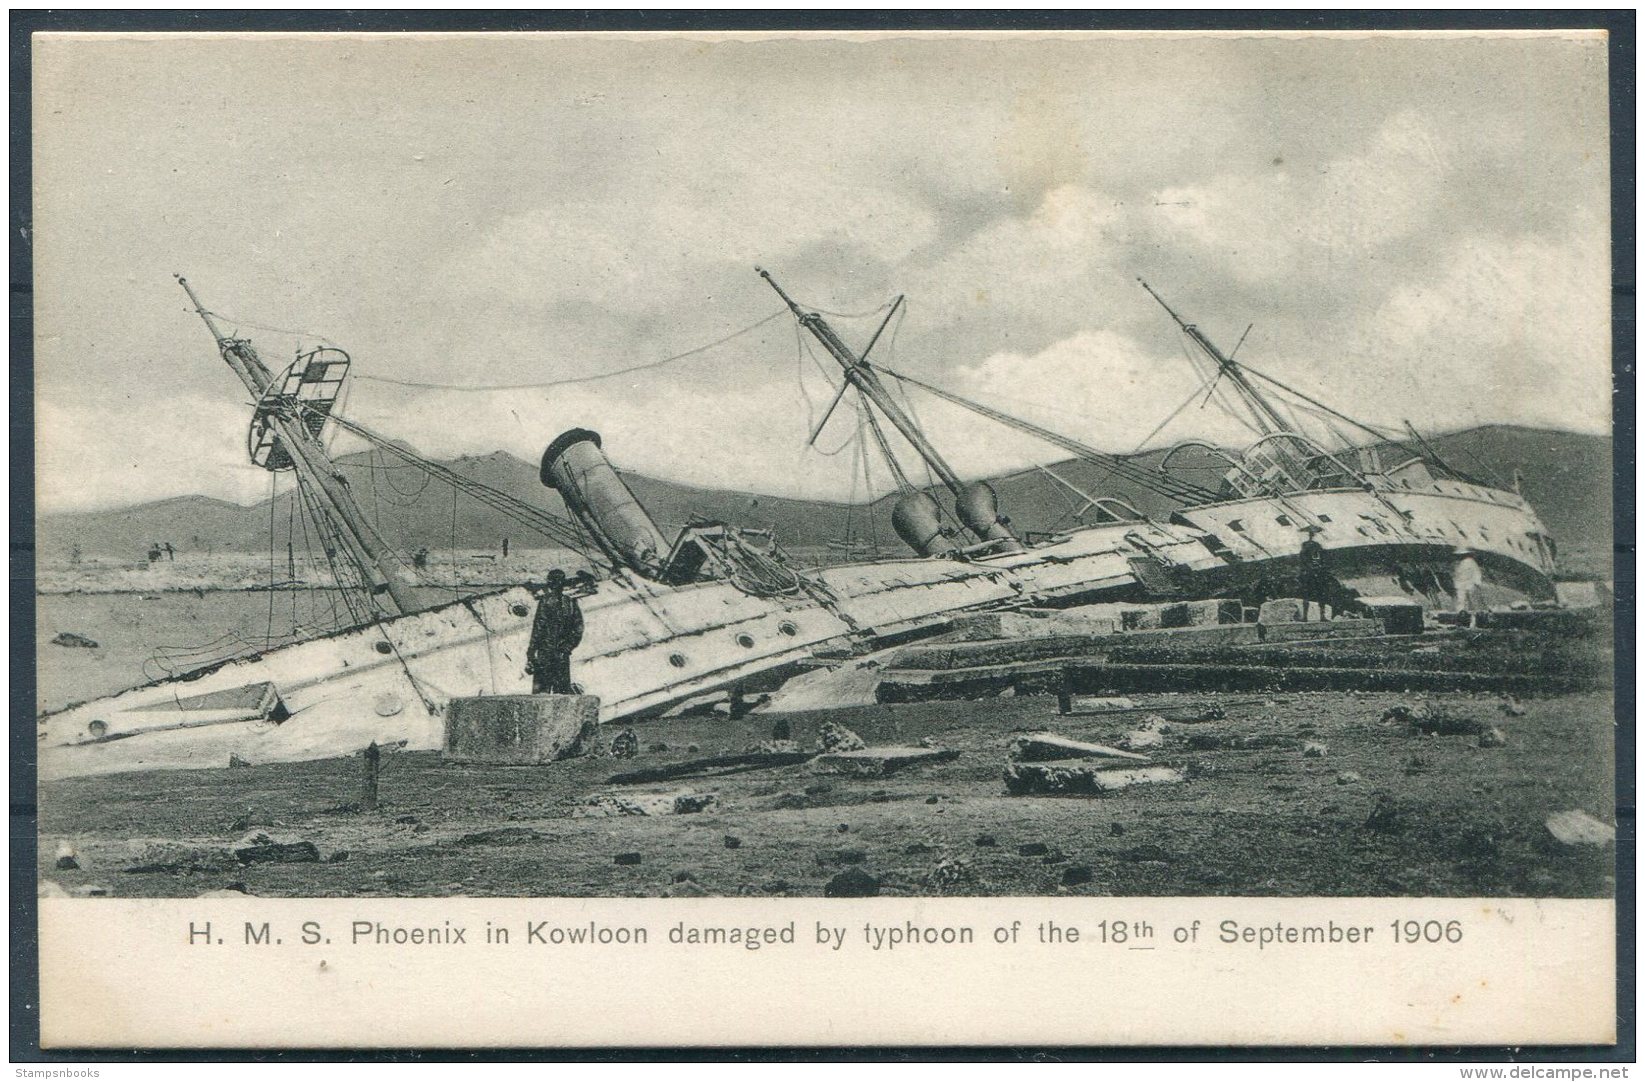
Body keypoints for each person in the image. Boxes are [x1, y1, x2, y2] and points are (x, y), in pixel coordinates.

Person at [526, 569, 583, 694]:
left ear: (550, 584)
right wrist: (567, 647)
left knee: (541, 692)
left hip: (545, 652)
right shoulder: (571, 603)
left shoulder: (545, 601)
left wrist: (531, 652)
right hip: (562, 653)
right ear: (563, 584)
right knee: (562, 692)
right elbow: (578, 629)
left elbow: (538, 628)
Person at [1297, 526, 1331, 621]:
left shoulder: (1306, 545)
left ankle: (1307, 616)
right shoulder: (1316, 546)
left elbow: (1303, 559)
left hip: (1310, 572)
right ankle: (1319, 616)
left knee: (1308, 594)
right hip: (1316, 572)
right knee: (1318, 594)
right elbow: (1319, 558)